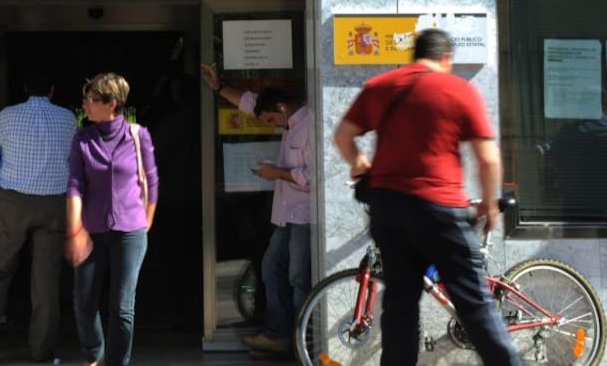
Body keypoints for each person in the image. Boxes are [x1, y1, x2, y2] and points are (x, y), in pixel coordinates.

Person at [333, 28, 521, 366]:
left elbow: (343, 136)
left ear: (414, 54)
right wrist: (490, 204)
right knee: (475, 306)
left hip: (389, 212)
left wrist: (360, 163)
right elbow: (488, 158)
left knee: (399, 309)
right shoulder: (457, 89)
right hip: (440, 211)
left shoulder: (380, 87)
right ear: (446, 58)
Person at [199, 65, 313, 356]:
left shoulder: (311, 123)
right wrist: (218, 87)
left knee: (298, 278)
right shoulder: (286, 121)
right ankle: (278, 335)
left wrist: (278, 173)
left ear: (282, 107)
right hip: (286, 216)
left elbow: (314, 177)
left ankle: (301, 341)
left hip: (304, 216)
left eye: (272, 118)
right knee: (270, 268)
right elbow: (250, 102)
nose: (272, 124)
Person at [0, 67, 77, 364]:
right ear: (52, 91)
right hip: (54, 204)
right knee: (46, 280)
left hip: (12, 202)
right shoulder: (68, 118)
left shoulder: (7, 115)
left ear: (24, 88)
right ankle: (41, 350)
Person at [65, 73, 160, 366]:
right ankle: (94, 353)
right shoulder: (83, 138)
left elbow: (153, 181)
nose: (85, 105)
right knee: (84, 302)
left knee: (121, 308)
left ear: (112, 104)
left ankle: (118, 362)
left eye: (92, 99)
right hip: (92, 229)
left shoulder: (137, 135)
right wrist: (75, 229)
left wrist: (145, 222)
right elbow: (75, 185)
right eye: (86, 99)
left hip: (130, 231)